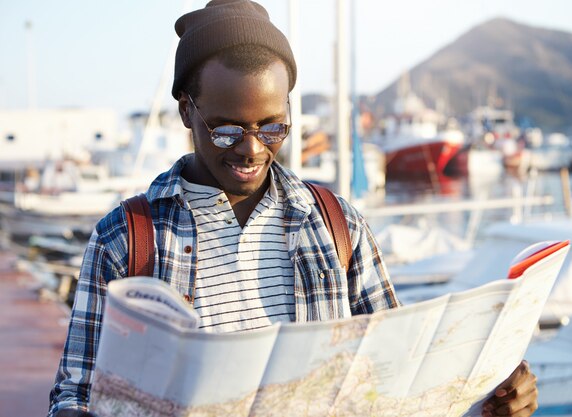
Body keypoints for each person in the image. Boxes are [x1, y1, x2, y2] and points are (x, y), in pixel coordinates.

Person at [48, 1, 538, 416]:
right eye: (225, 129)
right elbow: (74, 393)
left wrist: (485, 402)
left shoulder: (337, 224)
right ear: (185, 110)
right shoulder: (126, 238)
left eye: (273, 127)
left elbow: (398, 382)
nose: (251, 149)